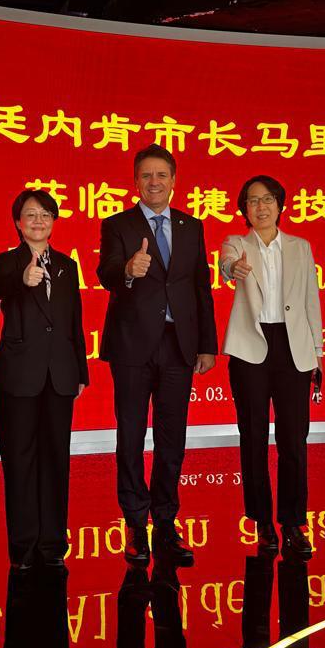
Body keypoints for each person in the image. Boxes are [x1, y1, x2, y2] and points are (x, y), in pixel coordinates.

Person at [97, 144, 217, 567]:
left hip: (178, 345)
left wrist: (206, 344)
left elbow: (200, 286)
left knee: (172, 438)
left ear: (173, 180)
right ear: (135, 182)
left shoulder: (191, 226)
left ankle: (166, 522)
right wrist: (127, 271)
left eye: (161, 175)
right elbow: (105, 271)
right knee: (130, 436)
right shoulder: (118, 225)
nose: (154, 182)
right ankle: (134, 523)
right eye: (146, 176)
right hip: (132, 345)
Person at [218, 175, 323, 560]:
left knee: (294, 439)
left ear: (280, 204)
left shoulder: (300, 247)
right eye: (252, 201)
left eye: (267, 200)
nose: (260, 207)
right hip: (250, 349)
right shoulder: (236, 244)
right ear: (244, 209)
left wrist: (317, 355)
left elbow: (311, 301)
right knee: (254, 437)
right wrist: (234, 270)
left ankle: (294, 522)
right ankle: (262, 521)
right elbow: (227, 266)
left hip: (292, 349)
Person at [0, 189, 89, 572]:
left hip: (60, 376)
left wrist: (80, 370)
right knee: (19, 460)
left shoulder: (67, 266)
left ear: (53, 221)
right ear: (18, 222)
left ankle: (52, 542)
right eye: (30, 215)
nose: (38, 221)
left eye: (45, 214)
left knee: (55, 459)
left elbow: (73, 323)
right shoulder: (4, 263)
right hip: (18, 378)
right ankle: (23, 545)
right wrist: (22, 280)